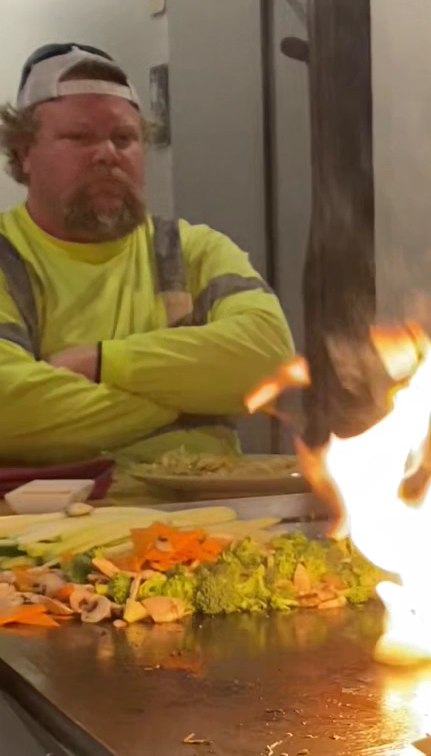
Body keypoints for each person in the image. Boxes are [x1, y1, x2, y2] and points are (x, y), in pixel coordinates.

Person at [0, 42, 295, 465]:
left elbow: (269, 358)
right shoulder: (8, 255)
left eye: (124, 138)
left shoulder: (192, 249)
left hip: (208, 499)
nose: (107, 154)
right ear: (23, 153)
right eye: (79, 137)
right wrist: (186, 398)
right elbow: (9, 410)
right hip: (55, 506)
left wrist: (102, 362)